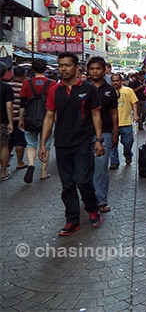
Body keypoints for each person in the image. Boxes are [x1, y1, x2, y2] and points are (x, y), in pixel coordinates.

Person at [38, 52, 105, 236]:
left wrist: (99, 140)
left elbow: (96, 114)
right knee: (67, 184)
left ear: (77, 68)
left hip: (83, 142)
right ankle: (72, 220)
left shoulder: (88, 89)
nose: (63, 69)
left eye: (67, 65)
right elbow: (49, 116)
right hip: (62, 144)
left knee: (83, 180)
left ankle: (92, 208)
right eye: (61, 66)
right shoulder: (54, 90)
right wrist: (43, 144)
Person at [87, 57, 118, 213]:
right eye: (92, 68)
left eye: (97, 68)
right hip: (85, 134)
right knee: (86, 168)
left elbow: (114, 113)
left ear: (104, 69)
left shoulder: (109, 90)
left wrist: (115, 134)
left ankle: (101, 200)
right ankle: (88, 198)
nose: (94, 71)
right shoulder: (83, 88)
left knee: (100, 168)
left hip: (104, 133)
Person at [19, 58, 56, 183]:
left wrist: (21, 119)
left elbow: (22, 103)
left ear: (32, 69)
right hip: (47, 118)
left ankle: (30, 164)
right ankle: (43, 172)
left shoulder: (26, 83)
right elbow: (55, 103)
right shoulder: (52, 83)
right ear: (46, 69)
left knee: (30, 144)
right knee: (45, 145)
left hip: (30, 118)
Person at [109, 73, 138, 169]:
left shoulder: (128, 91)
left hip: (126, 123)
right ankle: (114, 162)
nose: (115, 83)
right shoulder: (108, 92)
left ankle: (128, 155)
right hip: (112, 124)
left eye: (117, 81)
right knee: (112, 144)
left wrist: (136, 115)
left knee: (128, 142)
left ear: (121, 81)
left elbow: (134, 103)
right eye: (113, 81)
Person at [8, 65, 27, 170]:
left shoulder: (7, 85)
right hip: (20, 118)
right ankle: (19, 162)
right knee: (20, 140)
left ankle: (5, 162)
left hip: (7, 117)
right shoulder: (25, 86)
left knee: (7, 141)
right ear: (24, 75)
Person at [0, 61, 15, 181]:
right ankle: (3, 173)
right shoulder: (6, 87)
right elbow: (9, 105)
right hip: (2, 121)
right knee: (4, 146)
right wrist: (11, 122)